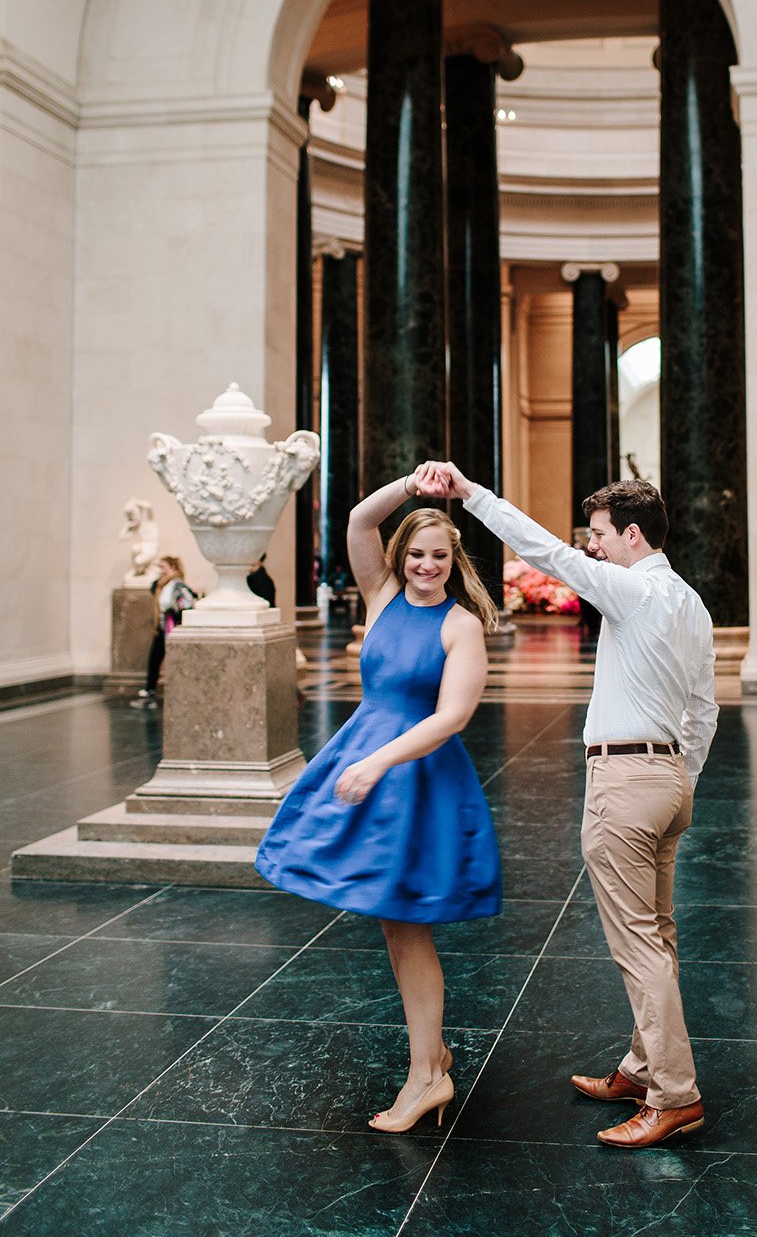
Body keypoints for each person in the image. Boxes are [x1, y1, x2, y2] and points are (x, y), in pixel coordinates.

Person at [420, 460, 718, 1150]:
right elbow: (704, 708)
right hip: (670, 780)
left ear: (634, 535)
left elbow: (542, 552)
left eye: (600, 534)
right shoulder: (691, 603)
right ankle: (643, 1069)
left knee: (637, 946)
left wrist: (472, 496)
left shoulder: (633, 592)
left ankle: (675, 1096)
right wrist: (683, 778)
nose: (591, 545)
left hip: (626, 784)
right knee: (659, 937)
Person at [254, 467, 501, 1134]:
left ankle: (428, 1074)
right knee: (395, 926)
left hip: (414, 776)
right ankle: (431, 1059)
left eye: (439, 555)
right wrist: (415, 486)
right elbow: (361, 519)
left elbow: (450, 717)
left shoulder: (462, 627)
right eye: (416, 553)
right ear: (402, 559)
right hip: (366, 757)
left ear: (454, 561)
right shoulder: (383, 593)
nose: (426, 564)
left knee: (405, 924)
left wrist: (377, 762)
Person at [129, 555, 195, 709]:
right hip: (161, 628)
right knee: (154, 660)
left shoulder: (178, 585)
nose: (161, 570)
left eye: (163, 567)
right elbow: (154, 588)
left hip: (171, 628)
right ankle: (149, 692)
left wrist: (175, 609)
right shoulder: (162, 585)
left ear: (173, 568)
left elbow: (188, 602)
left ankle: (176, 694)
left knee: (170, 661)